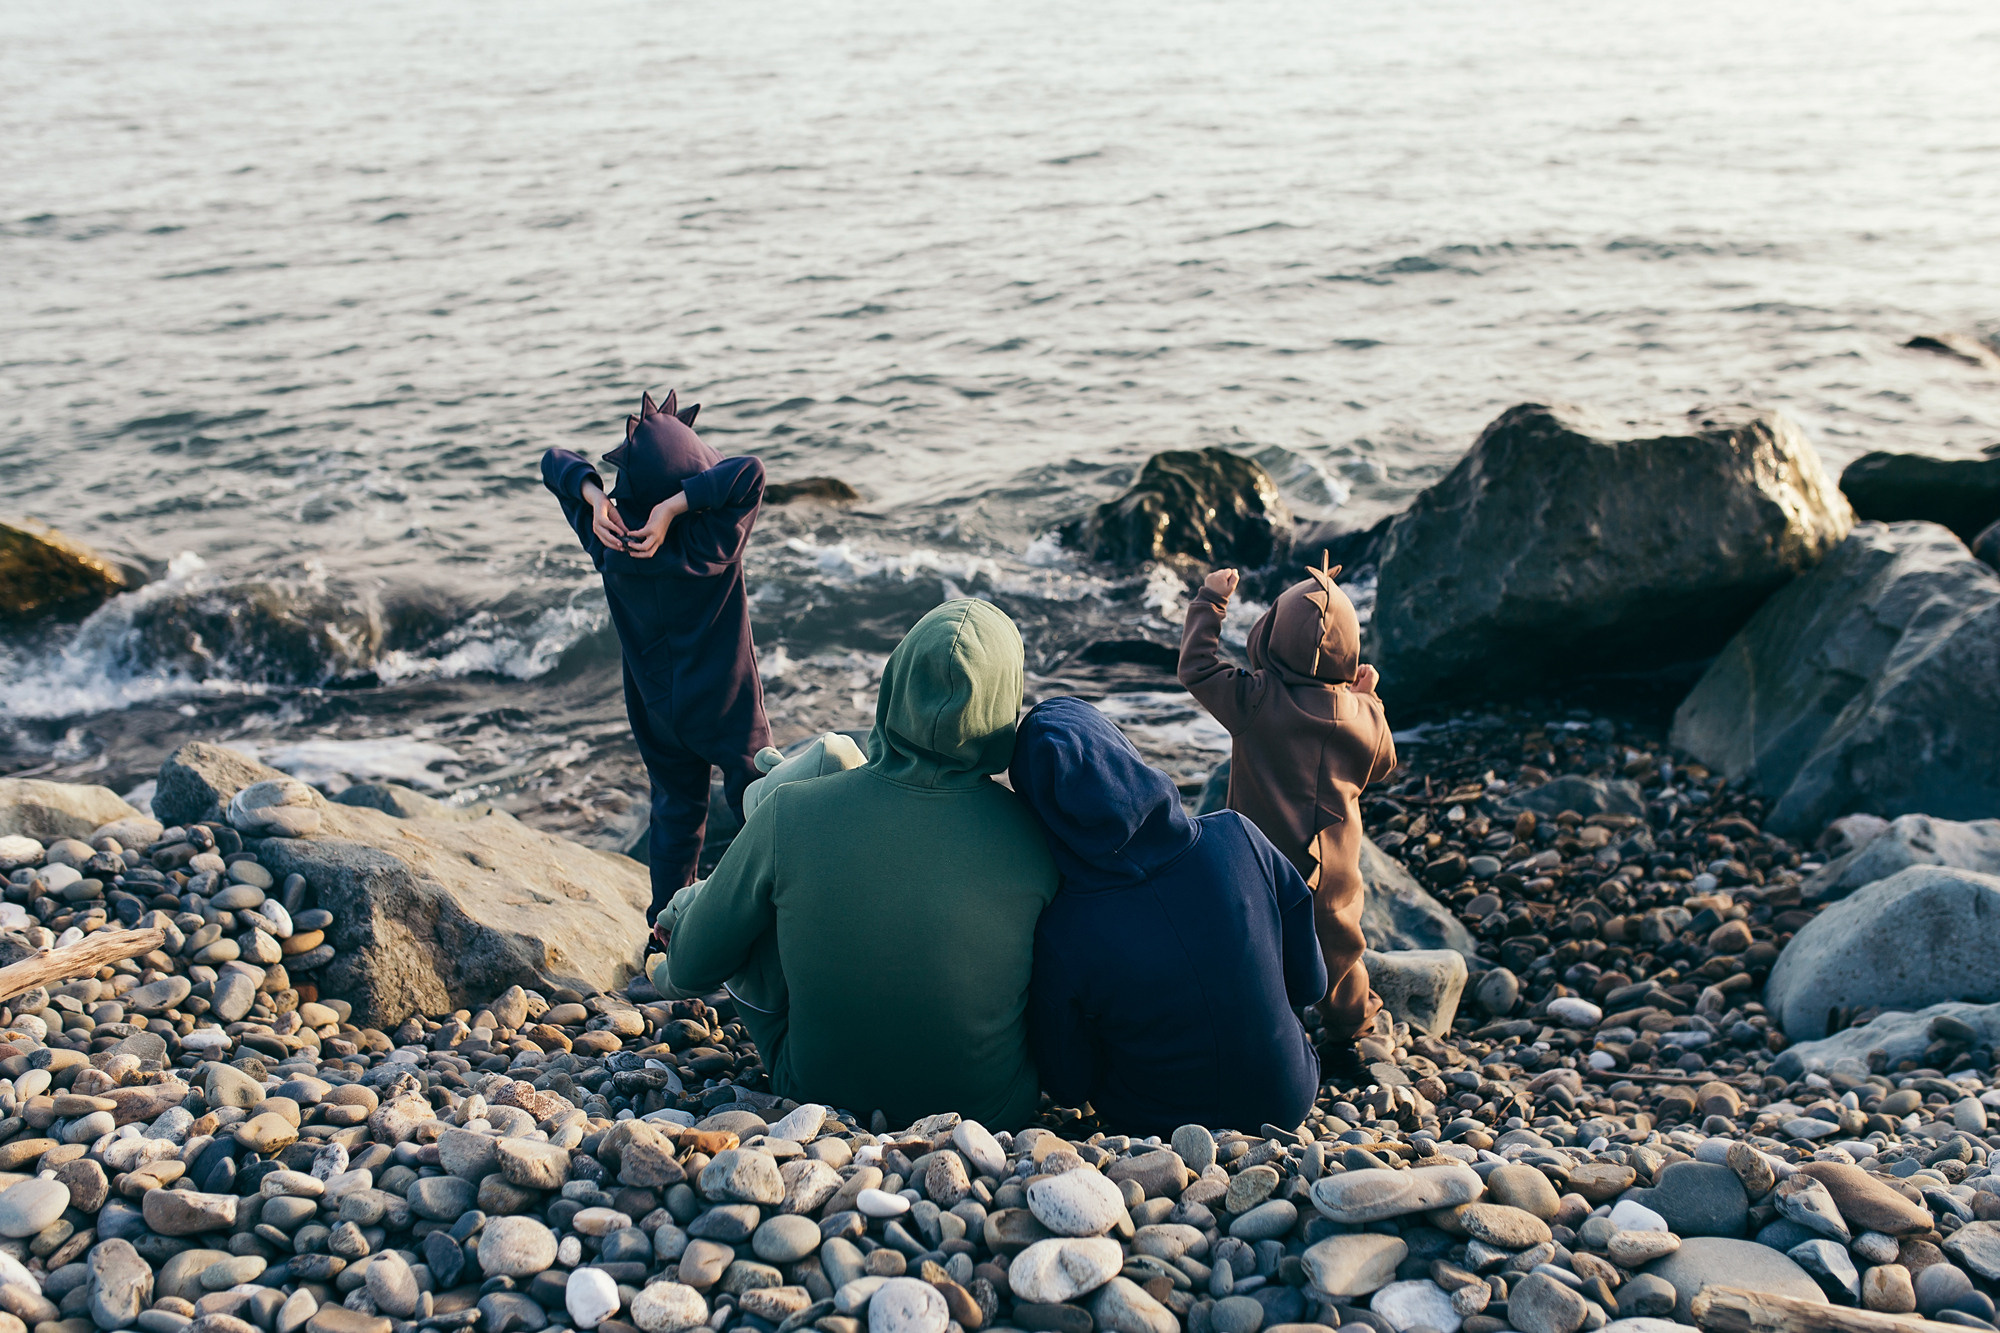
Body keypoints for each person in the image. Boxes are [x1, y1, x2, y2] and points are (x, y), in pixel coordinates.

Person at [660, 599, 1058, 1129]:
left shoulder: (790, 811)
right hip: (991, 1111)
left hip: (817, 1088)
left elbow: (690, 969)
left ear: (893, 682)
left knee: (769, 892)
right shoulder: (1039, 839)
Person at [1009, 696, 1325, 1135]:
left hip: (1155, 1123)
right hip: (1288, 1096)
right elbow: (1311, 985)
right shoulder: (1238, 835)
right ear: (1123, 754)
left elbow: (1068, 1083)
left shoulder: (1063, 930)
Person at [541, 390, 771, 934]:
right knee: (760, 802)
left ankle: (666, 934)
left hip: (656, 710)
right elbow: (751, 473)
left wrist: (594, 497)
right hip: (725, 702)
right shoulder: (711, 541)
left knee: (675, 814)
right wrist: (675, 509)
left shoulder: (609, 541)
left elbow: (553, 462)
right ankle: (773, 916)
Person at [1178, 556, 1397, 1074]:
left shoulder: (1255, 701)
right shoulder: (1362, 716)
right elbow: (1382, 763)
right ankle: (1348, 1035)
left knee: (1259, 949)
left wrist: (1210, 600)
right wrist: (1369, 701)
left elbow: (1197, 667)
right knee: (1340, 951)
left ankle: (1270, 1036)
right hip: (1334, 872)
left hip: (1263, 867)